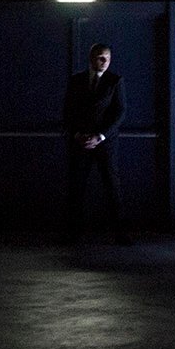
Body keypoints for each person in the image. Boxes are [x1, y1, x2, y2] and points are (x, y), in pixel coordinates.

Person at [62, 42, 130, 244]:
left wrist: (100, 136)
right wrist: (77, 135)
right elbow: (68, 111)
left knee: (112, 186)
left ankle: (120, 234)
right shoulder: (76, 81)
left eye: (107, 58)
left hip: (105, 143)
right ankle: (73, 234)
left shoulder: (115, 81)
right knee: (76, 188)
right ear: (91, 58)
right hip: (81, 142)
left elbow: (120, 112)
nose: (104, 62)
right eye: (100, 57)